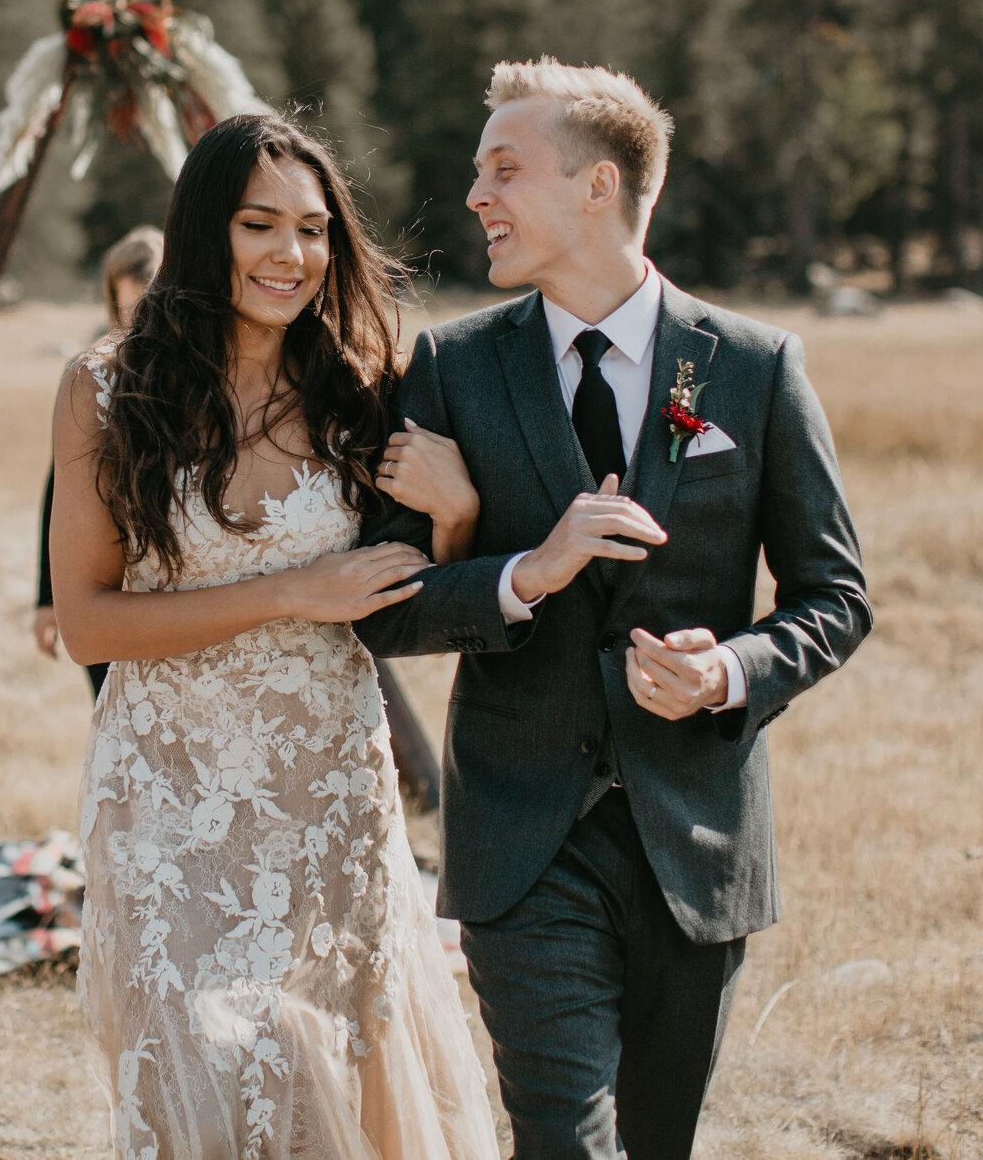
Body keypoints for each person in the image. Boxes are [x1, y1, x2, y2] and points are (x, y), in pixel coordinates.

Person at [358, 59, 870, 1160]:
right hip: (520, 840)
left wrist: (728, 668)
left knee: (657, 1143)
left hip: (697, 840)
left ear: (598, 186)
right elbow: (385, 608)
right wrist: (521, 573)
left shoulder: (751, 366)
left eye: (503, 168)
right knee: (563, 1139)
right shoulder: (450, 367)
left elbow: (834, 596)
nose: (474, 196)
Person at [49, 113, 499, 1160]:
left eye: (313, 229)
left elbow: (425, 585)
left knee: (339, 1046)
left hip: (324, 780)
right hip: (166, 786)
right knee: (194, 1056)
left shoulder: (367, 386)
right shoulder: (106, 392)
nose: (291, 255)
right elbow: (86, 621)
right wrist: (294, 588)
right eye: (260, 225)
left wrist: (462, 513)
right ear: (207, 230)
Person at [35, 226, 164, 698]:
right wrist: (48, 598)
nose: (138, 323)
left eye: (149, 306)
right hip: (106, 581)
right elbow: (60, 491)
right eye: (127, 310)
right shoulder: (91, 376)